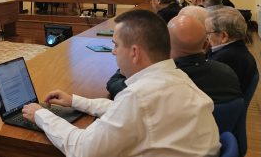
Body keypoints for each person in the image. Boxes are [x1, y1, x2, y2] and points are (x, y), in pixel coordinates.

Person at [21, 9, 220, 157]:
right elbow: (122, 110)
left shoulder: (140, 96)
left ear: (134, 52)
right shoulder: (178, 78)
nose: (113, 52)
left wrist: (40, 114)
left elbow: (82, 149)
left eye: (116, 45)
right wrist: (74, 100)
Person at [107, 15, 242, 103]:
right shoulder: (228, 72)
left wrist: (128, 62)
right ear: (206, 44)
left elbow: (116, 86)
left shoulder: (164, 80)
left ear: (167, 44)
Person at [206, 7, 258, 93]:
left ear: (223, 36)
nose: (206, 38)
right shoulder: (239, 50)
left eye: (208, 33)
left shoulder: (223, 60)